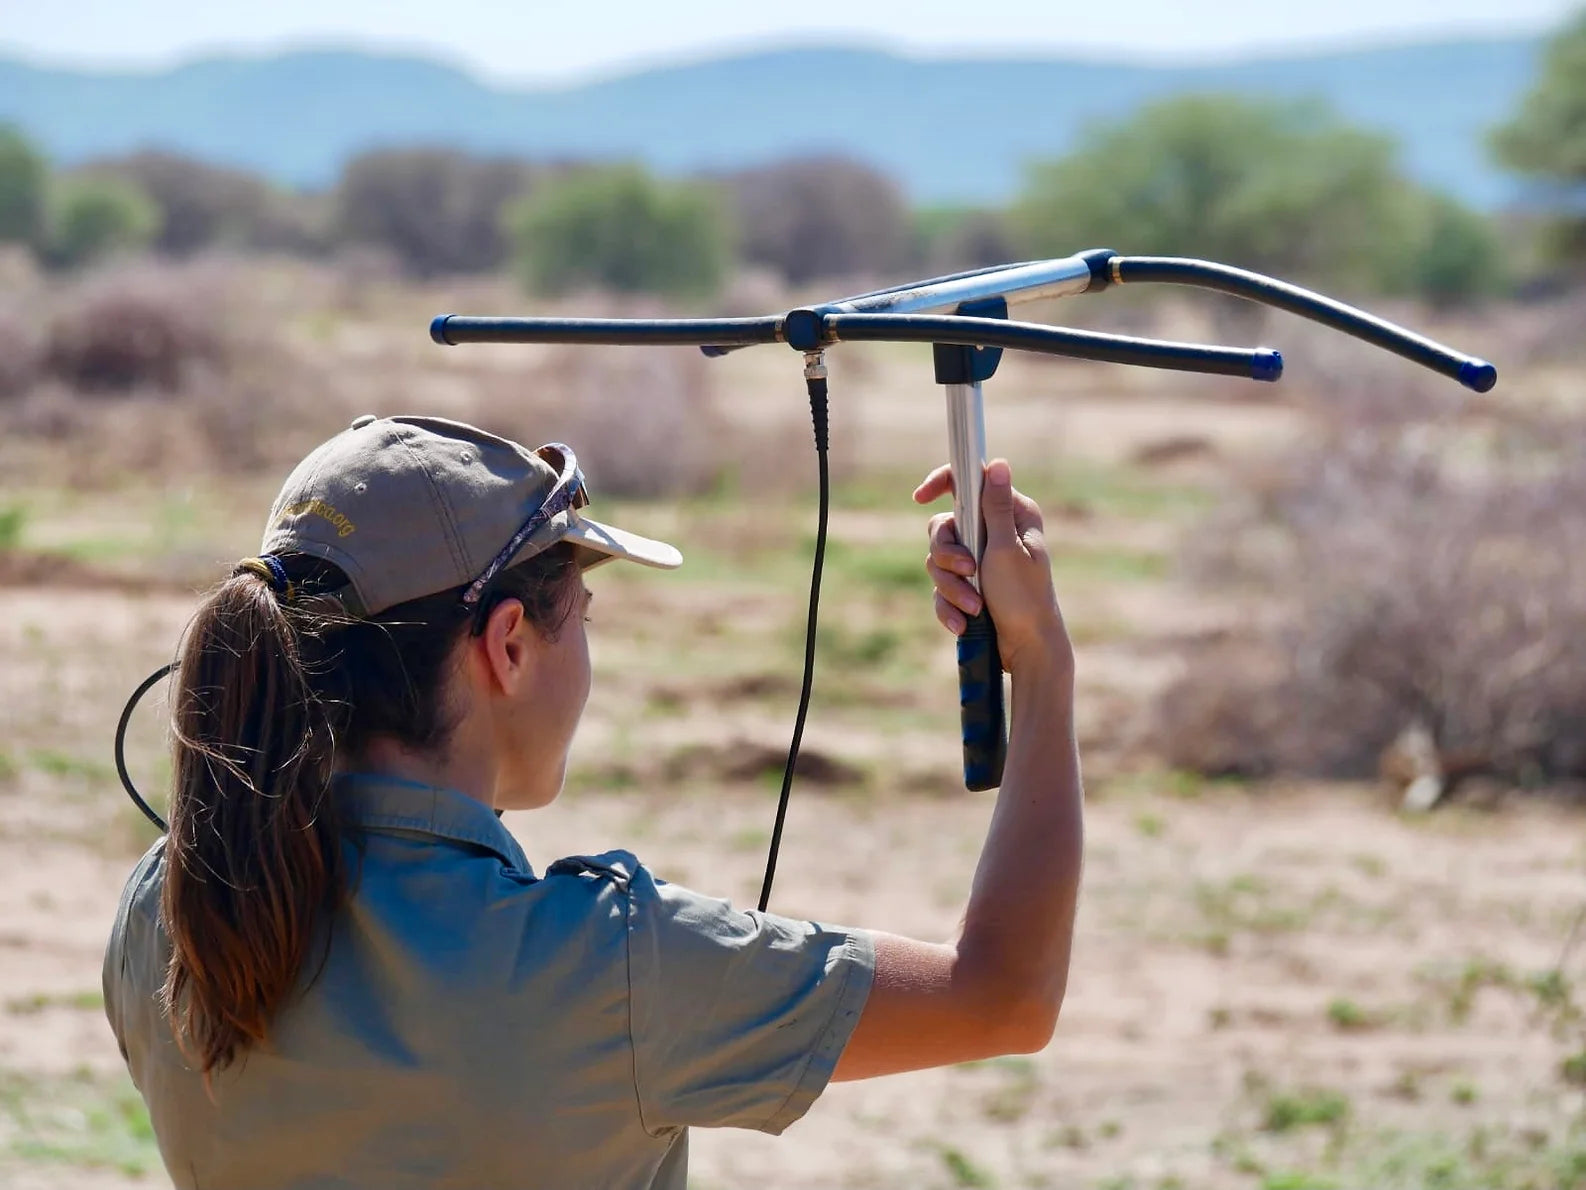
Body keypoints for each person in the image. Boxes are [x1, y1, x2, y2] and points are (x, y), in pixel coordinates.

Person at [103, 414, 1084, 1189]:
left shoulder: (171, 908)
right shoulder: (601, 967)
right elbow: (1003, 994)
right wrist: (1039, 660)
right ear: (508, 646)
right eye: (583, 616)